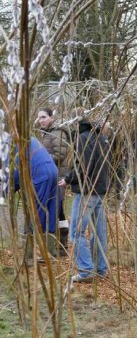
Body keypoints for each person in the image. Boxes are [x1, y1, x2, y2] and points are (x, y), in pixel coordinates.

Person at [59, 116, 109, 283]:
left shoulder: (83, 139)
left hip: (87, 192)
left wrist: (67, 179)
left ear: (78, 124)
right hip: (100, 192)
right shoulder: (101, 138)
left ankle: (86, 270)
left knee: (76, 232)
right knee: (99, 232)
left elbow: (82, 167)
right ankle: (100, 269)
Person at [2, 133, 58, 261]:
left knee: (33, 213)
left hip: (40, 174)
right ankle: (50, 252)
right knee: (49, 211)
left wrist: (5, 193)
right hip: (53, 171)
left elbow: (13, 173)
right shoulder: (27, 138)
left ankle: (29, 257)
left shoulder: (11, 145)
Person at [36, 107, 71, 254]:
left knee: (57, 210)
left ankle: (60, 245)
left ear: (51, 117)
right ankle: (60, 245)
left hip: (57, 176)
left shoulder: (58, 132)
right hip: (50, 176)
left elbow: (60, 154)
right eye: (39, 118)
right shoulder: (47, 133)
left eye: (43, 117)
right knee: (59, 210)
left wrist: (40, 158)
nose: (40, 120)